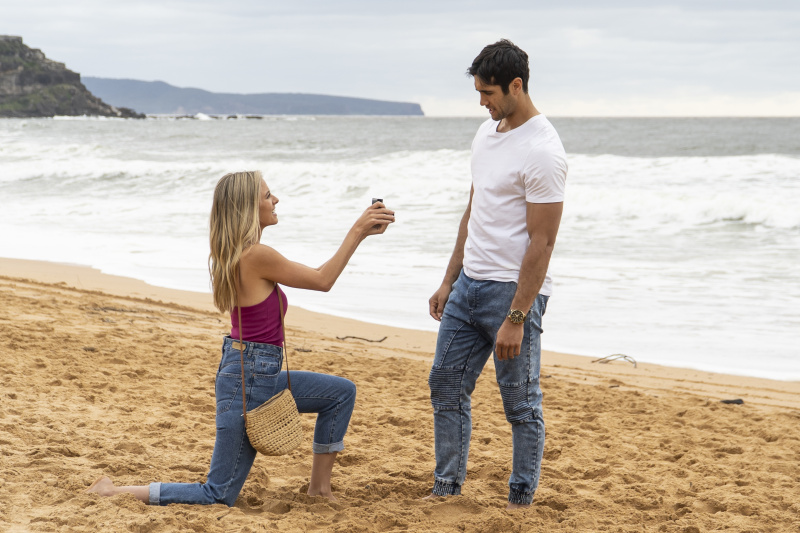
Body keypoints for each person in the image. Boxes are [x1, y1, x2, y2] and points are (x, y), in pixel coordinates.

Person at [87, 170, 395, 506]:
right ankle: (114, 492)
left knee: (340, 393)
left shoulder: (240, 253)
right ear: (247, 207)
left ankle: (319, 490)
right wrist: (357, 231)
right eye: (267, 196)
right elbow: (323, 280)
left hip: (255, 372)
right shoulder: (255, 256)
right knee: (217, 494)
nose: (275, 200)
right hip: (246, 381)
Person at [425, 39, 567, 509]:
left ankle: (520, 498)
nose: (482, 101)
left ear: (516, 85)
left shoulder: (544, 151)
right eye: (479, 92)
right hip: (469, 286)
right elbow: (474, 210)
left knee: (521, 404)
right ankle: (447, 488)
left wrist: (518, 315)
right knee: (445, 384)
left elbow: (542, 242)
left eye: (488, 93)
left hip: (512, 293)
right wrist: (449, 279)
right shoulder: (486, 135)